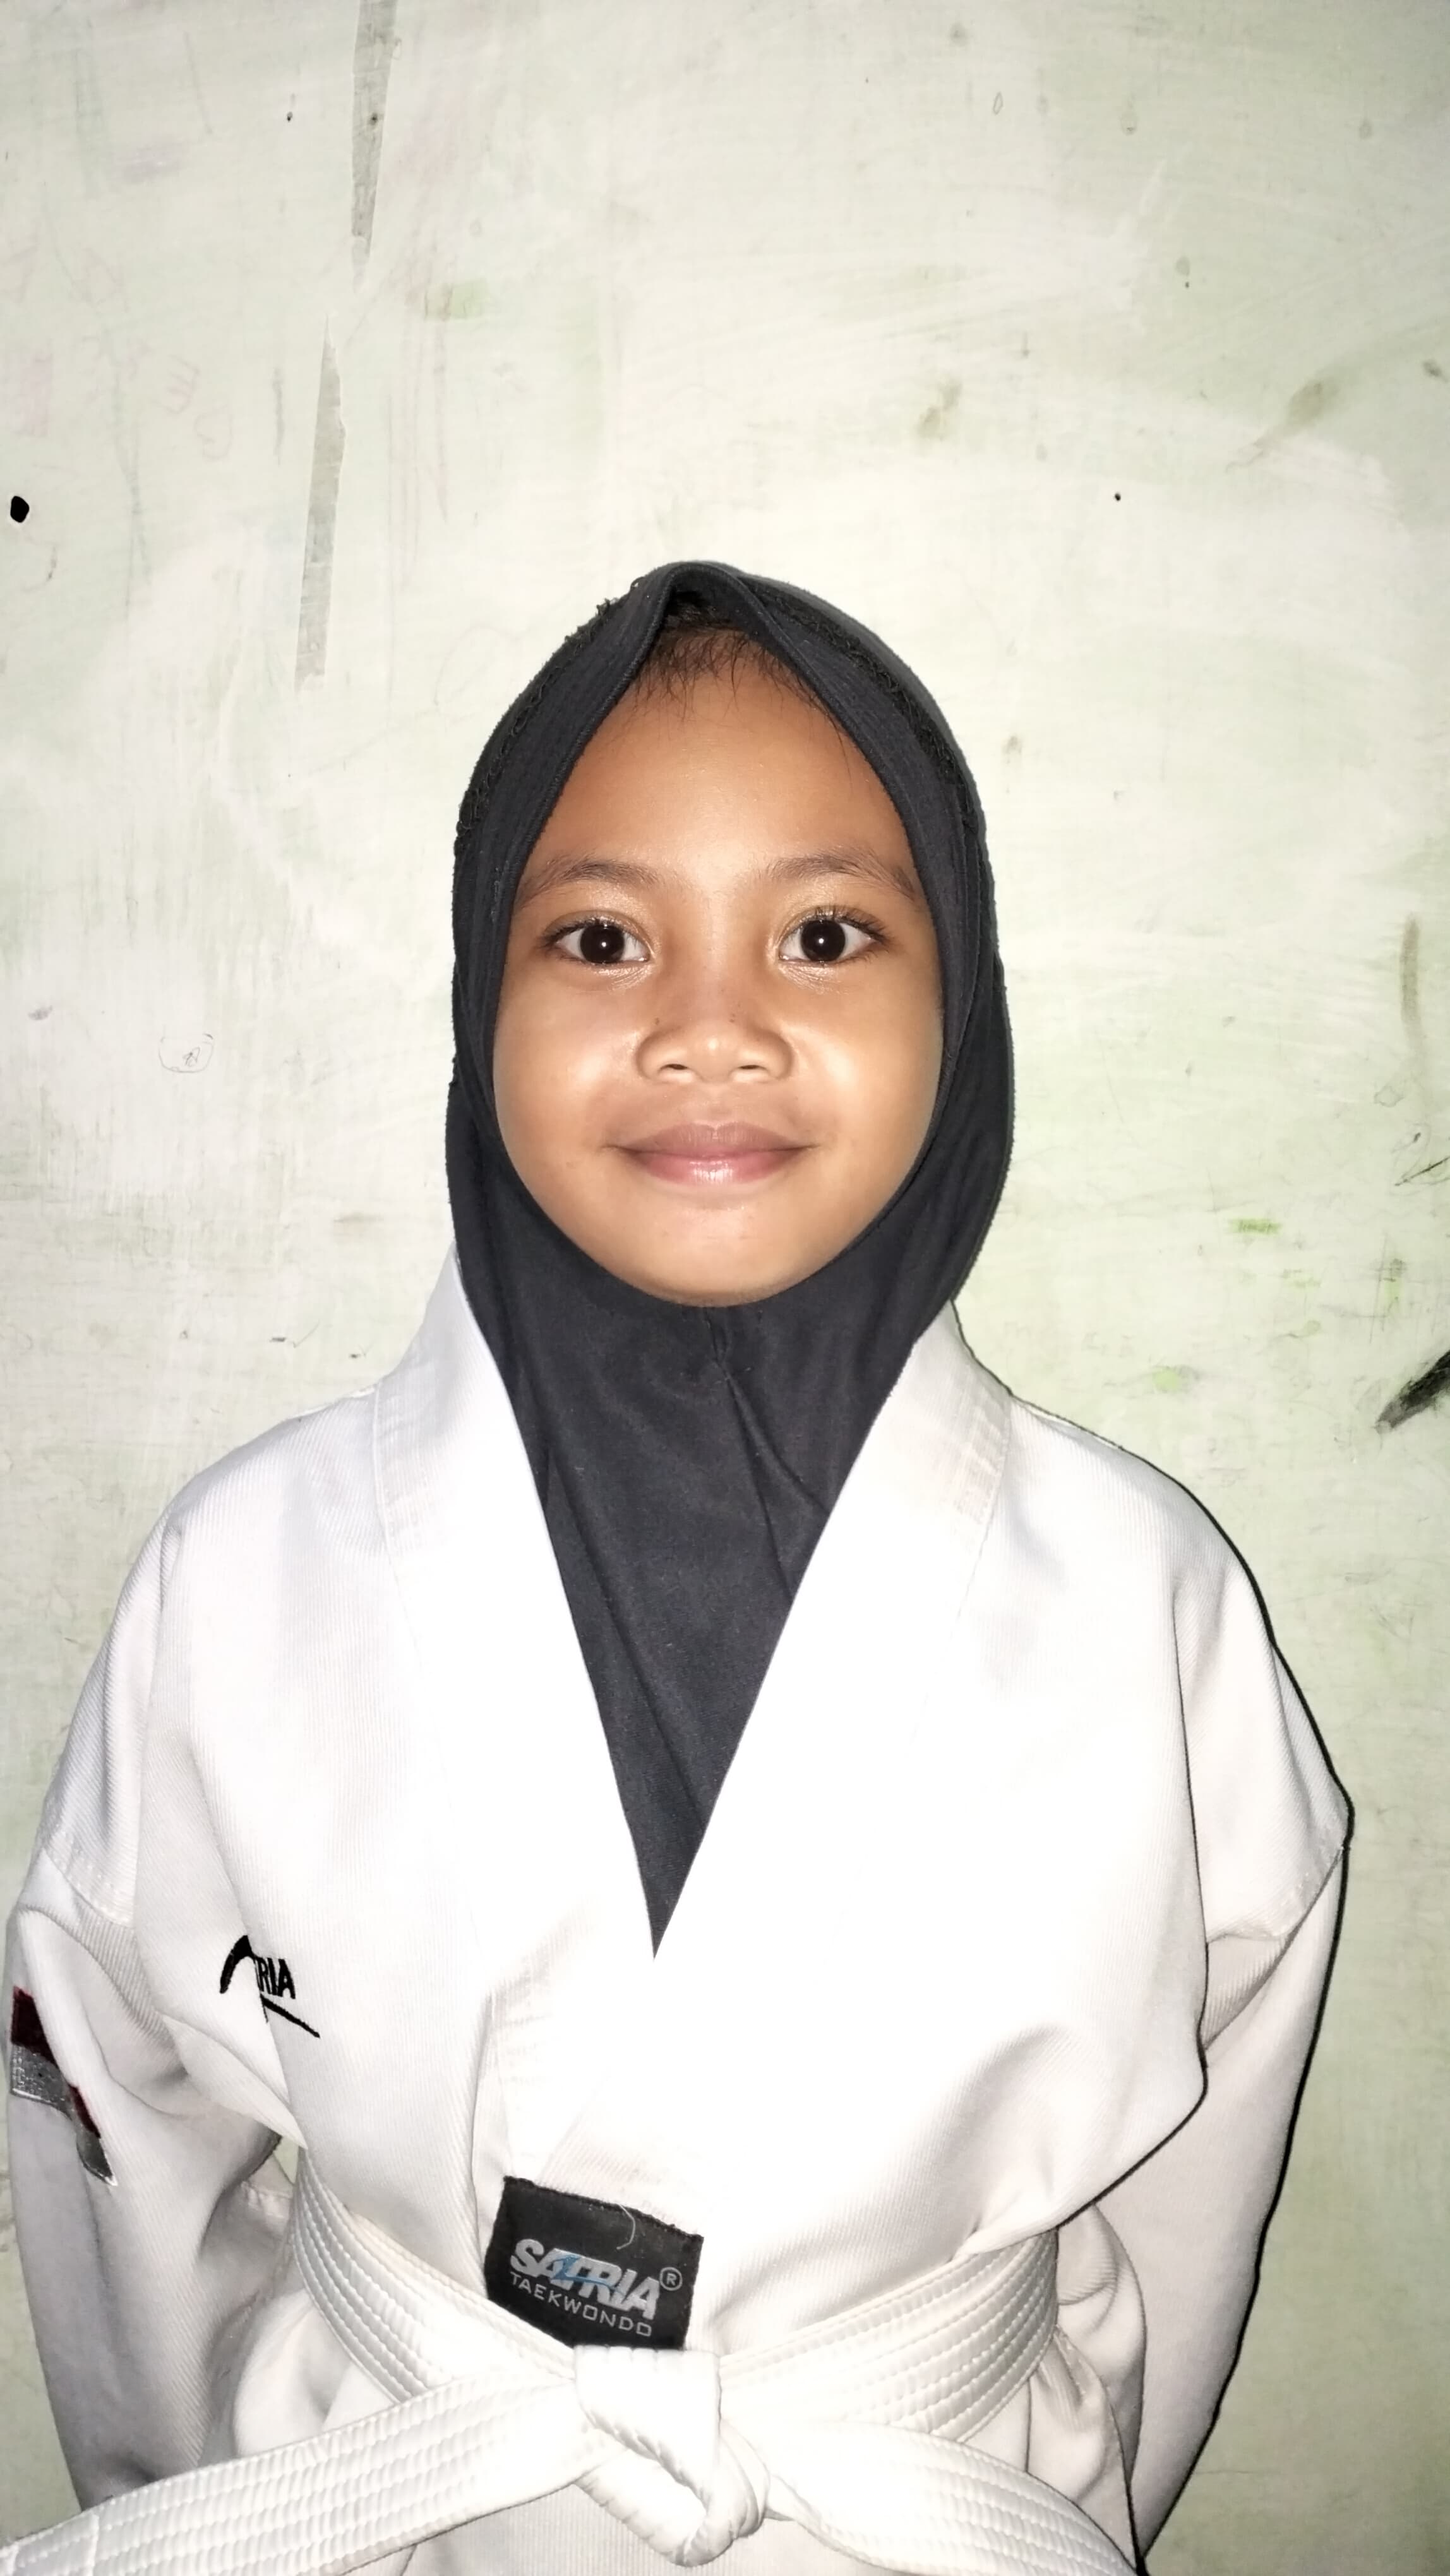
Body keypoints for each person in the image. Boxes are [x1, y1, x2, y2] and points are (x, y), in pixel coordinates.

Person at [2, 563, 1347, 2576]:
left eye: (824, 935)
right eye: (603, 939)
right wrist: (176, 2474)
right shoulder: (242, 1573)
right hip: (393, 2493)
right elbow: (115, 2101)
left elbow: (1199, 2176)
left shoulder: (1146, 1605)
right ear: (481, 993)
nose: (711, 1031)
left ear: (960, 999)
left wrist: (1071, 2482)